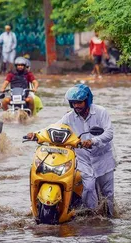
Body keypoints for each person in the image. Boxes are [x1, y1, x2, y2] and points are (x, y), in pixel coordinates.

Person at [26, 84, 115, 217]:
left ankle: (110, 218)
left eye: (79, 102)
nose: (76, 106)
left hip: (102, 158)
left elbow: (109, 133)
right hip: (83, 158)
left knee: (107, 194)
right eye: (73, 103)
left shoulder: (101, 112)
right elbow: (54, 127)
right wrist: (36, 134)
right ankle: (93, 217)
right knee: (89, 188)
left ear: (87, 100)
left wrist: (93, 141)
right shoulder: (69, 117)